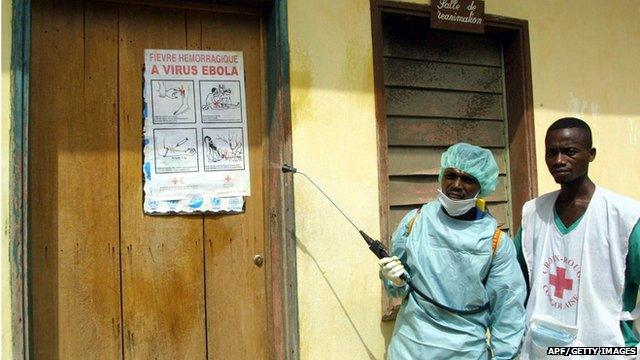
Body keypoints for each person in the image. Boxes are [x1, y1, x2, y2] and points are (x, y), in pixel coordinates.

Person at [380, 142, 526, 359]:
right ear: (441, 176)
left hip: (464, 352)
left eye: (468, 179)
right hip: (409, 348)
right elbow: (399, 287)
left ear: (482, 186)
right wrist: (394, 280)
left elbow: (508, 311)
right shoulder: (415, 222)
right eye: (451, 175)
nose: (456, 185)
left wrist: (505, 356)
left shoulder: (495, 242)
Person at [514, 118, 640, 359]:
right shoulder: (533, 213)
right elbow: (513, 275)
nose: (559, 160)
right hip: (543, 350)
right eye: (551, 153)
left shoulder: (624, 217)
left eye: (569, 152)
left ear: (591, 154)